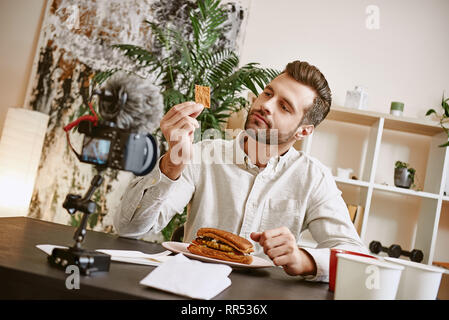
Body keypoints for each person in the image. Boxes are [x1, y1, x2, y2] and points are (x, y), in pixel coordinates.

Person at [114, 60, 368, 282]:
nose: (266, 105)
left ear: (304, 131)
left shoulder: (313, 178)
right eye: (268, 93)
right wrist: (172, 163)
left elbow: (355, 258)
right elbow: (129, 229)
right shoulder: (203, 154)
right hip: (191, 290)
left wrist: (304, 260)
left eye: (285, 107)